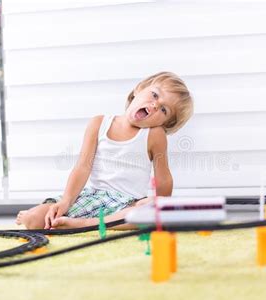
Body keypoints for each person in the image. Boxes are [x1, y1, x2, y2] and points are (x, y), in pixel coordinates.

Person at [16, 71, 194, 230]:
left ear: (165, 123)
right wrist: (66, 201)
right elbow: (82, 167)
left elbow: (163, 177)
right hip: (91, 198)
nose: (155, 105)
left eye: (164, 110)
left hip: (127, 206)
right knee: (34, 220)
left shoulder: (154, 135)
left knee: (148, 211)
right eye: (154, 95)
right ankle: (67, 219)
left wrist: (160, 209)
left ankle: (83, 225)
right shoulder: (99, 123)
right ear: (139, 89)